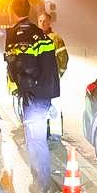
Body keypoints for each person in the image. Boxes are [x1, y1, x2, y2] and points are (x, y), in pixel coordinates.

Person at [5, 0, 60, 193]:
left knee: (35, 142)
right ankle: (40, 183)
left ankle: (41, 191)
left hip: (32, 96)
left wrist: (21, 85)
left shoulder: (18, 34)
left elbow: (24, 66)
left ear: (12, 10)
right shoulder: (40, 34)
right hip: (43, 94)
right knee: (37, 141)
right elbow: (50, 66)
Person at [38, 11, 67, 141]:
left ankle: (55, 135)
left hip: (52, 81)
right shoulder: (36, 39)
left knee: (54, 106)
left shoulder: (56, 39)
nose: (42, 23)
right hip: (39, 81)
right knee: (41, 107)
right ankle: (44, 133)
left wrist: (57, 74)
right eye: (40, 21)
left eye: (45, 21)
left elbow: (63, 59)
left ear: (50, 22)